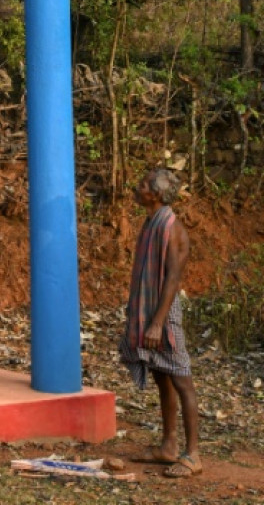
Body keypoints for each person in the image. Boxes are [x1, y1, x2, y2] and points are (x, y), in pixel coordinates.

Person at [119, 167, 202, 478]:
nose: (137, 188)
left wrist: (156, 324)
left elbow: (172, 280)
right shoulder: (152, 222)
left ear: (154, 193)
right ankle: (169, 446)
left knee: (182, 379)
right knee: (162, 377)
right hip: (149, 311)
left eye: (143, 184)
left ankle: (193, 454)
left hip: (164, 315)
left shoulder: (173, 229)